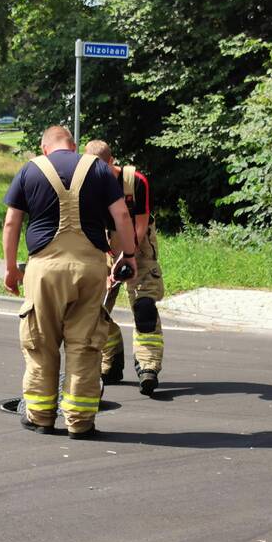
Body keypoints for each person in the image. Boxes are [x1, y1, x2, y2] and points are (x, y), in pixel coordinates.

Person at [2, 126, 137, 439]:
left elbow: (12, 222)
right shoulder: (100, 170)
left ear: (44, 147)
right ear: (73, 146)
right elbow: (121, 217)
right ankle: (80, 422)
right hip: (90, 269)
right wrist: (127, 256)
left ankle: (40, 417)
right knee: (85, 345)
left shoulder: (30, 170)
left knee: (40, 344)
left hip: (43, 271)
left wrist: (11, 268)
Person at [84, 140, 166, 396]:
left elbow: (140, 226)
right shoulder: (87, 185)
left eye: (102, 169)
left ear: (112, 162)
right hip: (106, 248)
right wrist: (110, 263)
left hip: (138, 249)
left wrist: (126, 257)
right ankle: (112, 358)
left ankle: (148, 367)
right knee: (92, 309)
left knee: (144, 307)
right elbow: (93, 228)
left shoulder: (136, 182)